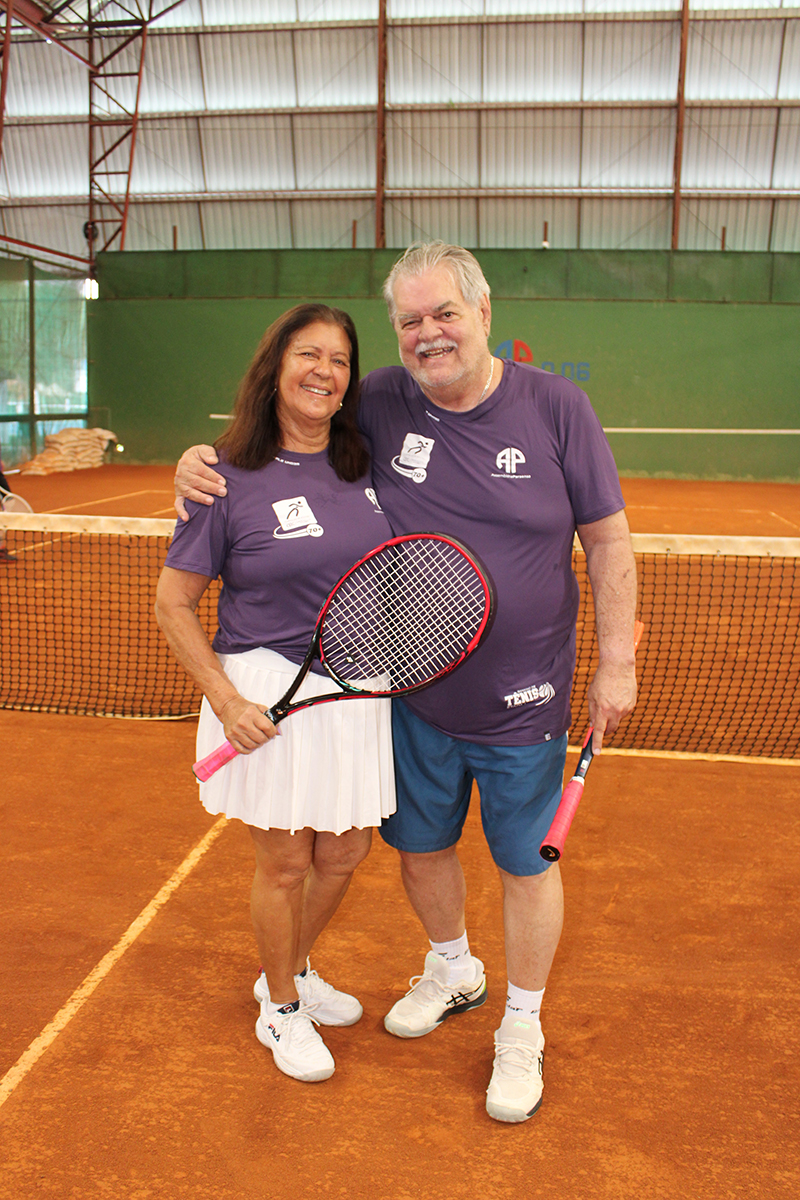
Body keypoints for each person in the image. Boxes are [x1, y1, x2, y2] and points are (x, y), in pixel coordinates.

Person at [174, 243, 638, 1124]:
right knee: (419, 850)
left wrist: (617, 660)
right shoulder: (380, 399)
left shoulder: (557, 407)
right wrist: (200, 463)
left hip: (526, 700)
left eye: (445, 314)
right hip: (406, 693)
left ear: (483, 313)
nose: (430, 334)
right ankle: (453, 967)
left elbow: (608, 538)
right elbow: (286, 421)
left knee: (524, 867)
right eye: (410, 321)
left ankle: (522, 1025)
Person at [156, 303, 396, 1086]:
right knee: (287, 863)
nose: (325, 371)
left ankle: (285, 969)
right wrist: (226, 701)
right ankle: (283, 1008)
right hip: (264, 692)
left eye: (339, 359)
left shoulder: (368, 464)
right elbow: (172, 602)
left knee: (347, 850)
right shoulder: (224, 476)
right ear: (275, 367)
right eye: (308, 355)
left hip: (356, 689)